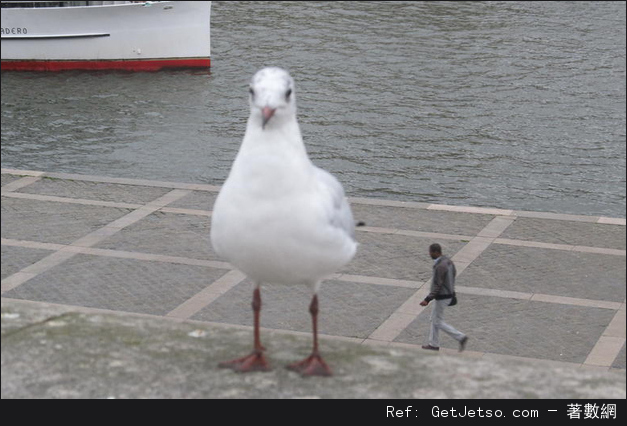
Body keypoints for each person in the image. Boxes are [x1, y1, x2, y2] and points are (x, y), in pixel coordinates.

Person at [419, 243, 468, 352]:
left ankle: (460, 337)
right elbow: (453, 274)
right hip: (448, 294)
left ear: (436, 252)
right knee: (434, 319)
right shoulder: (448, 261)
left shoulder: (440, 266)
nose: (429, 254)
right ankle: (433, 344)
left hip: (442, 296)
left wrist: (427, 299)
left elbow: (438, 285)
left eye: (431, 252)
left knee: (437, 321)